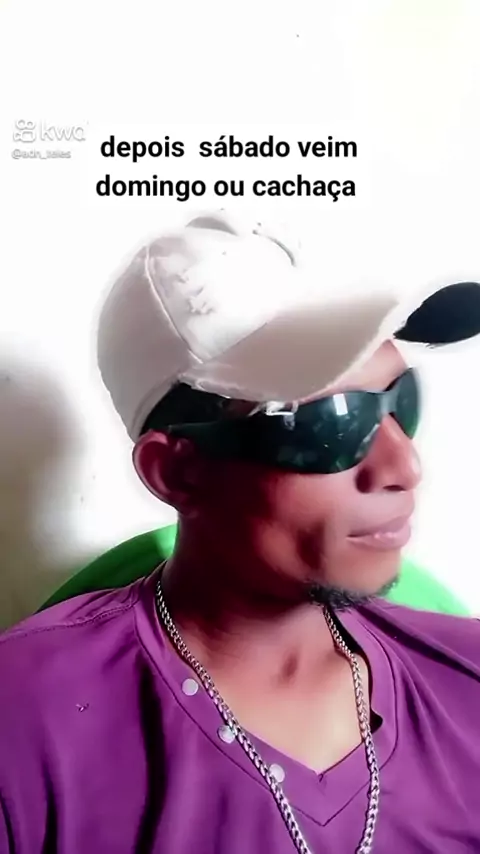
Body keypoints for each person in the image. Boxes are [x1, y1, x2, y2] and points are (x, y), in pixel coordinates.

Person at [1, 212, 480, 854]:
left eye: (402, 402)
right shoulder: (24, 720)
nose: (403, 467)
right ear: (178, 472)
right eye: (333, 421)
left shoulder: (467, 681)